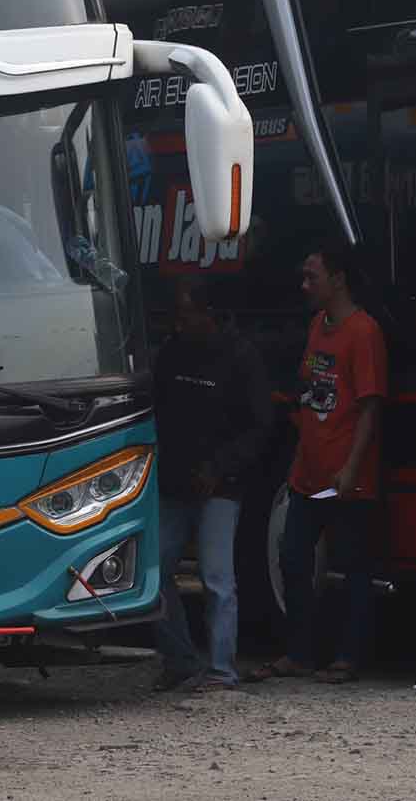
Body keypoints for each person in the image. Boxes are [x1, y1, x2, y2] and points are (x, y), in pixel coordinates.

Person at [248, 241, 387, 685]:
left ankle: (348, 656)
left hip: (346, 476)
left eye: (313, 276)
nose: (305, 285)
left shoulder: (363, 333)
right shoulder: (317, 326)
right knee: (292, 559)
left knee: (352, 567)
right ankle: (301, 652)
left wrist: (351, 467)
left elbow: (370, 406)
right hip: (308, 472)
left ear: (339, 278)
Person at [151, 276, 274, 692]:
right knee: (155, 574)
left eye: (187, 314)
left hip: (220, 486)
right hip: (176, 483)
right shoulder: (173, 353)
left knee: (217, 578)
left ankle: (221, 668)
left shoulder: (241, 358)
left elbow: (259, 427)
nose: (179, 323)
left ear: (210, 315)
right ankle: (183, 660)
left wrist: (218, 468)